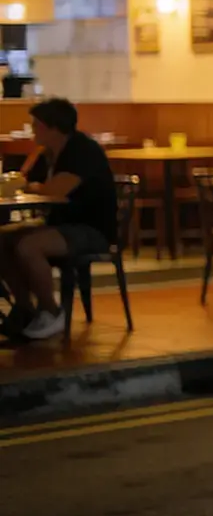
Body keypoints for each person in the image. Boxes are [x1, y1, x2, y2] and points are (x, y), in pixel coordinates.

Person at [0, 98, 117, 341]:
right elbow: (24, 181)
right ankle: (25, 309)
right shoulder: (48, 153)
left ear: (53, 127)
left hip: (91, 229)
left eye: (36, 125)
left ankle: (52, 312)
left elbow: (56, 190)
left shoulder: (82, 150)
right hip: (62, 225)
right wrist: (30, 177)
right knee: (3, 240)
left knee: (29, 246)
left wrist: (31, 186)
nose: (32, 130)